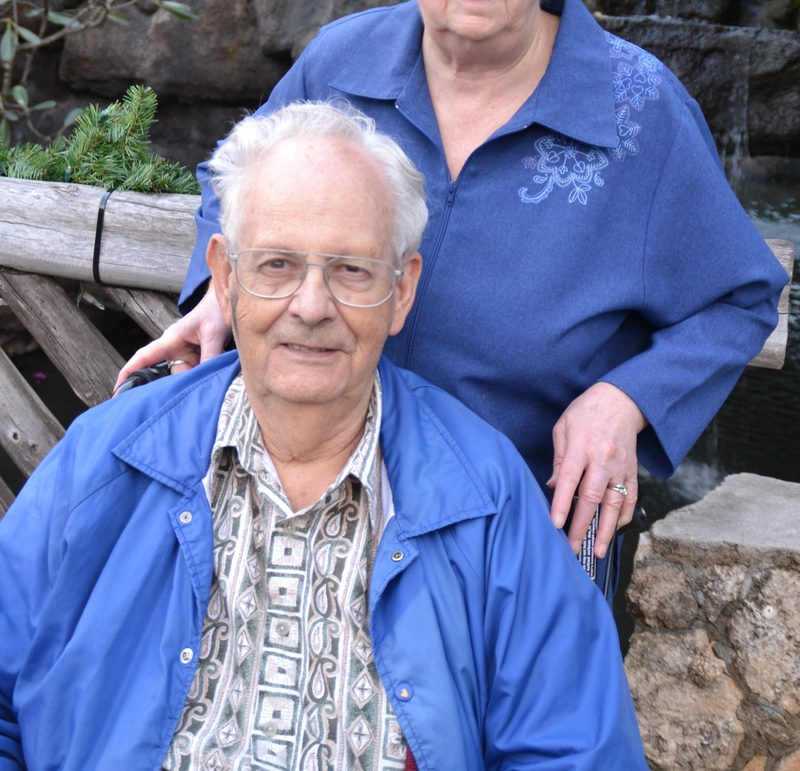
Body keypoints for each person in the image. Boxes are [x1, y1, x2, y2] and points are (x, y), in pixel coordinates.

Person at [121, 0, 787, 565]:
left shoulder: (638, 113)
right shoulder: (342, 63)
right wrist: (219, 297)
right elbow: (229, 181)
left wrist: (628, 400)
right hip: (304, 515)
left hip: (511, 547)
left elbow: (739, 296)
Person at [0, 103, 648, 771]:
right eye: (277, 264)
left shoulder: (484, 496)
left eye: (351, 271)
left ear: (402, 292)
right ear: (224, 276)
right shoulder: (106, 458)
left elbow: (577, 747)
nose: (311, 306)